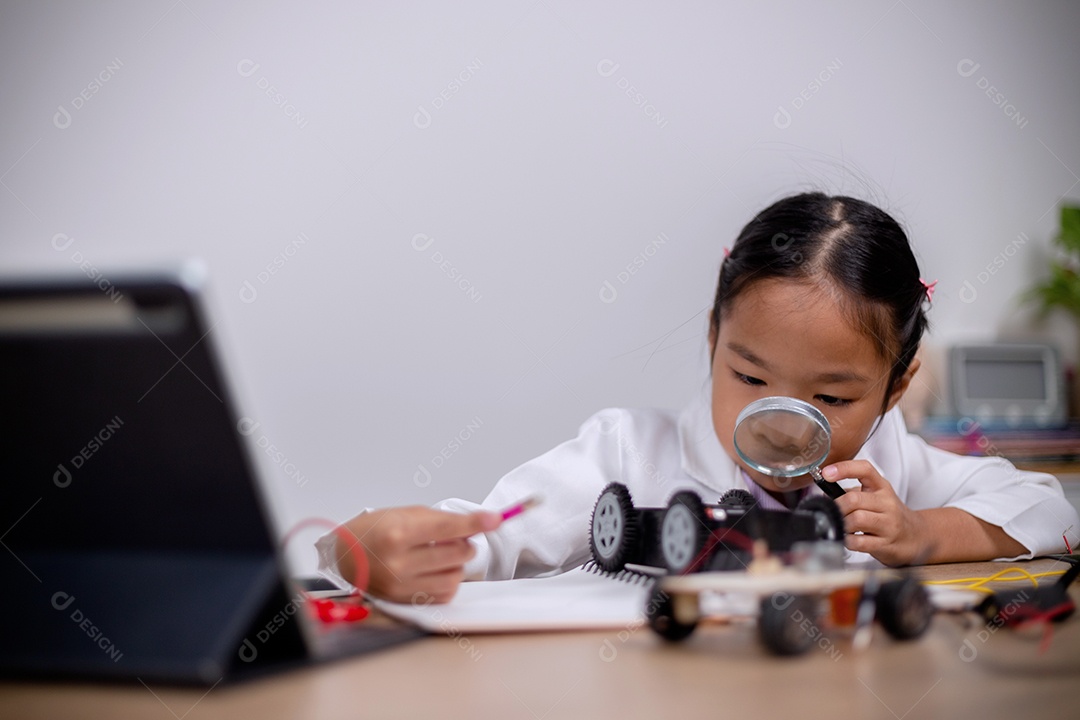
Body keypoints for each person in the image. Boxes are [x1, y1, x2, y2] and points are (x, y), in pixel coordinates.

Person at [324, 192, 1080, 604]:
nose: (782, 426)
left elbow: (1051, 509)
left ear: (896, 388)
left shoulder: (895, 470)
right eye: (749, 379)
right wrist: (365, 549)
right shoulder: (627, 455)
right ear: (715, 335)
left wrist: (923, 533)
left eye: (830, 397)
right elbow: (498, 530)